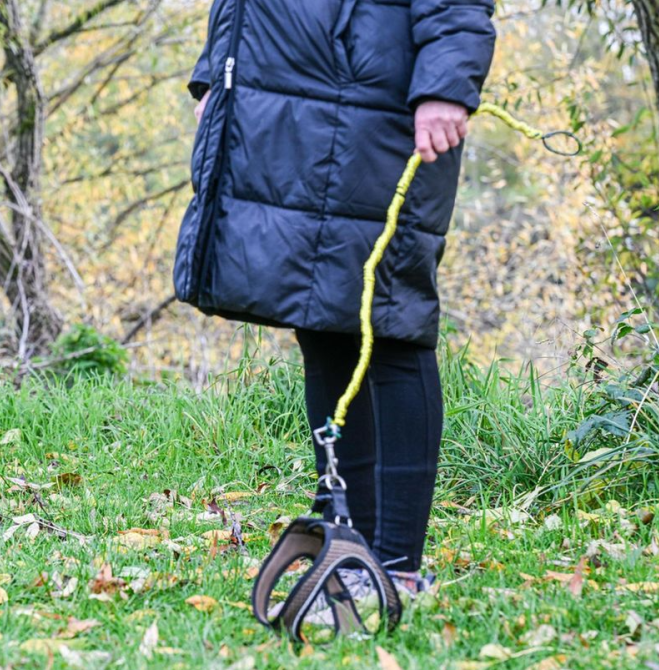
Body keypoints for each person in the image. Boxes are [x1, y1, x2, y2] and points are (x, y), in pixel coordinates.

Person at [177, 0, 496, 594]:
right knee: (321, 322)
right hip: (291, 106)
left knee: (393, 323)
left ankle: (397, 567)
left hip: (381, 103)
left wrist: (447, 85)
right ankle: (348, 551)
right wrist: (219, 71)